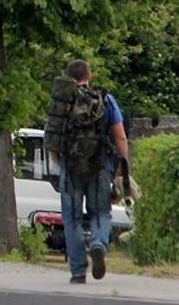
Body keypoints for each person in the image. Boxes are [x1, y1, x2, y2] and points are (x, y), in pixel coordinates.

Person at [48, 59, 130, 284]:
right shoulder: (105, 99)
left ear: (68, 77)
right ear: (89, 75)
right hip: (99, 165)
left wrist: (60, 161)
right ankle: (98, 245)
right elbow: (120, 135)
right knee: (101, 213)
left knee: (71, 219)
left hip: (71, 167)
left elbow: (52, 139)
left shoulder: (62, 102)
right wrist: (123, 166)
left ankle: (77, 272)